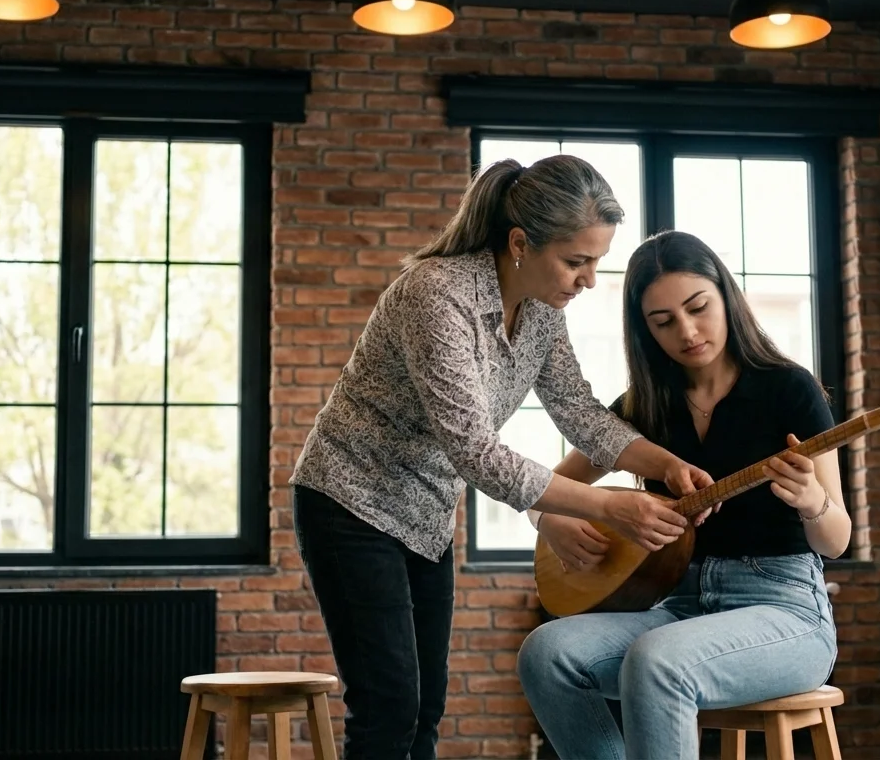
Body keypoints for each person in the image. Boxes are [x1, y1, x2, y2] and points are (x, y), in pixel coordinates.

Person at [289, 156, 719, 760]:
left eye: (596, 261)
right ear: (520, 244)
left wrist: (662, 463)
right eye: (576, 261)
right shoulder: (436, 294)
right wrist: (608, 507)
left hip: (426, 518)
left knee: (425, 709)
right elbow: (475, 451)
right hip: (349, 503)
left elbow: (579, 410)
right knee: (388, 707)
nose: (589, 280)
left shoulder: (542, 311)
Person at [516, 230, 853, 760]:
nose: (688, 332)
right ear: (644, 330)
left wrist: (813, 501)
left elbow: (836, 540)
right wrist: (549, 520)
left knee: (658, 661)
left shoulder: (790, 388)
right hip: (679, 606)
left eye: (698, 308)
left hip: (786, 612)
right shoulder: (642, 405)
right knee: (547, 653)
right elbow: (542, 490)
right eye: (663, 321)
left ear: (726, 296)